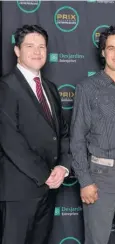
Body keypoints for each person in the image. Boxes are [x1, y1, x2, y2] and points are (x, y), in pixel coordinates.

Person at [70, 26, 115, 244]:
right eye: (111, 48)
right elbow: (77, 138)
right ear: (102, 52)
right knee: (97, 240)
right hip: (102, 175)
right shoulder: (87, 88)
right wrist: (84, 180)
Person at [0, 24, 70, 244]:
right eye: (30, 46)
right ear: (17, 51)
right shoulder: (5, 87)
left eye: (42, 46)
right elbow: (10, 140)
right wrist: (44, 175)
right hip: (19, 192)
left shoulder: (50, 88)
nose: (37, 51)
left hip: (48, 191)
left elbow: (63, 133)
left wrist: (62, 166)